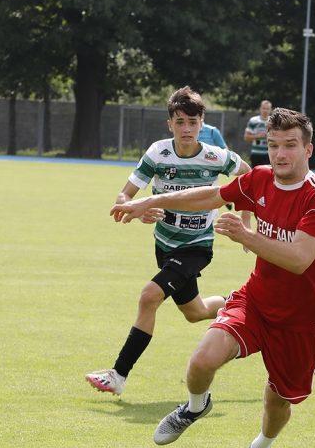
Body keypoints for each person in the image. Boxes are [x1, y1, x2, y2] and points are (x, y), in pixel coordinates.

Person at [110, 108, 315, 448]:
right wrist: (149, 202)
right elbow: (212, 195)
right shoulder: (261, 178)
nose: (280, 154)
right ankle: (195, 407)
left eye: (290, 146)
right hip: (256, 301)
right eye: (273, 145)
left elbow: (299, 259)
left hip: (302, 319)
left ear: (308, 150)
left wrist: (246, 235)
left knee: (277, 401)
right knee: (202, 361)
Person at [85, 86, 250, 396]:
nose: (186, 129)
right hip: (164, 245)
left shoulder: (217, 157)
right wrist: (135, 209)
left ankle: (118, 375)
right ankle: (243, 307)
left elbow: (250, 179)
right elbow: (126, 194)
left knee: (149, 296)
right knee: (195, 312)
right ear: (169, 124)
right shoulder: (157, 153)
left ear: (203, 123)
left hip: (197, 247)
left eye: (192, 122)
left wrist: (245, 220)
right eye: (179, 122)